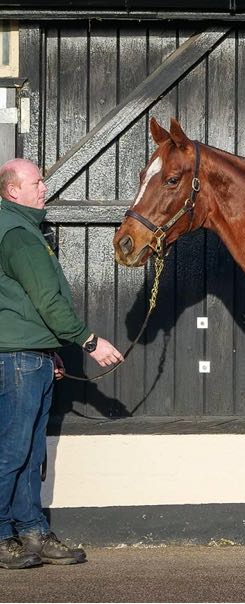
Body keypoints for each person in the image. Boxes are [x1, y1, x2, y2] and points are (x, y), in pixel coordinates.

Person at [0, 158, 124, 569]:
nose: (44, 188)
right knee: (12, 451)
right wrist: (89, 341)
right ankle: (2, 535)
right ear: (13, 190)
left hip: (29, 355)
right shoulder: (17, 233)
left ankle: (32, 531)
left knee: (31, 452)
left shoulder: (23, 228)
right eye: (36, 182)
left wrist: (47, 349)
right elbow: (46, 300)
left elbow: (24, 303)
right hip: (17, 359)